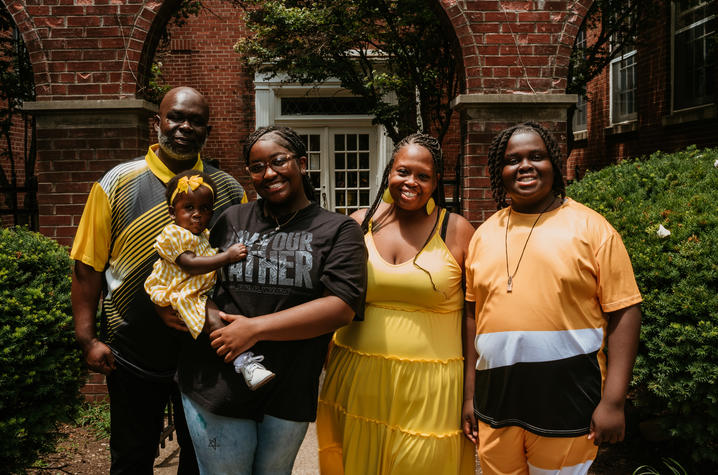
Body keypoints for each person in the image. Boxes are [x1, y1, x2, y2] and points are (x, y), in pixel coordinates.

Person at [170, 125, 367, 475]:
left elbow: (341, 306)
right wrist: (190, 311)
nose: (269, 173)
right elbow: (192, 277)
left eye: (278, 161)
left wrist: (254, 330)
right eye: (257, 167)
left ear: (302, 163)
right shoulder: (231, 219)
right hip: (217, 382)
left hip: (289, 386)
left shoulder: (337, 230)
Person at [70, 86, 246, 474]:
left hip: (204, 353)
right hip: (131, 353)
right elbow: (87, 266)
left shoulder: (229, 190)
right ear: (158, 122)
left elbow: (240, 273)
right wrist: (87, 339)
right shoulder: (117, 182)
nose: (184, 127)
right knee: (132, 458)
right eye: (176, 117)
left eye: (196, 121)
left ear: (207, 130)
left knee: (201, 459)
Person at [462, 121, 642, 474]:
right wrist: (470, 395)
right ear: (500, 171)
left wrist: (614, 401)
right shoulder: (483, 235)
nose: (525, 166)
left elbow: (625, 312)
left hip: (568, 401)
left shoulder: (592, 229)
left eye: (537, 157)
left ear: (554, 164)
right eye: (513, 159)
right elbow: (473, 316)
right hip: (496, 403)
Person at [316, 133, 476, 474]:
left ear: (435, 183)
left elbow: (473, 317)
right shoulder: (359, 223)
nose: (411, 182)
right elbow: (331, 295)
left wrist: (471, 395)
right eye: (403, 171)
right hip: (357, 377)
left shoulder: (457, 230)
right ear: (390, 171)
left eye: (423, 176)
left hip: (431, 388)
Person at [144, 170, 275, 390]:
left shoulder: (202, 236)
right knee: (215, 319)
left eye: (204, 209)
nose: (197, 214)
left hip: (197, 290)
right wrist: (227, 256)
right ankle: (245, 363)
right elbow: (190, 264)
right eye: (189, 208)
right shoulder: (173, 234)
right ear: (171, 212)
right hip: (181, 292)